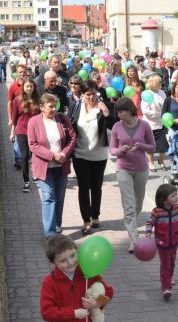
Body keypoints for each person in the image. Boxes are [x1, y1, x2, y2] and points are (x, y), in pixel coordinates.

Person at [109, 98, 156, 252]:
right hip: (123, 168)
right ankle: (133, 239)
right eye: (117, 112)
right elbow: (112, 149)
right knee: (129, 206)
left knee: (138, 204)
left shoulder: (144, 125)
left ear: (129, 111)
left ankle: (133, 229)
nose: (119, 115)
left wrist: (140, 146)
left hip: (141, 169)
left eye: (121, 112)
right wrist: (120, 151)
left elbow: (152, 147)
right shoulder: (116, 127)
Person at [27, 93, 77, 238]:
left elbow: (72, 138)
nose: (54, 109)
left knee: (59, 197)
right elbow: (32, 145)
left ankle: (56, 224)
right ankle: (50, 233)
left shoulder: (62, 118)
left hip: (61, 166)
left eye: (55, 106)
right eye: (50, 106)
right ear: (42, 107)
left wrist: (64, 153)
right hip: (44, 167)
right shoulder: (34, 122)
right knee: (49, 196)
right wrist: (52, 155)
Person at [68, 79, 113, 236]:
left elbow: (113, 124)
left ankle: (95, 216)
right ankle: (86, 219)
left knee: (96, 187)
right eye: (88, 94)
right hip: (80, 154)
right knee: (83, 187)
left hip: (99, 154)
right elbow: (69, 127)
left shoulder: (103, 105)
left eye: (94, 94)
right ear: (82, 94)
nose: (92, 97)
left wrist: (106, 112)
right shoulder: (75, 106)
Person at [145, 184, 178, 299]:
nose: (176, 198)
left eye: (176, 195)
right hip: (162, 243)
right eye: (173, 196)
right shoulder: (157, 211)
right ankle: (165, 288)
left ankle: (169, 278)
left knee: (172, 263)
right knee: (165, 265)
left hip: (174, 241)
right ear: (164, 199)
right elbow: (150, 222)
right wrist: (148, 232)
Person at [11, 78, 41, 192]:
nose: (29, 88)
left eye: (31, 86)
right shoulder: (17, 100)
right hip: (21, 130)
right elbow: (14, 118)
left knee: (35, 154)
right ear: (23, 87)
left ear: (34, 88)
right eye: (27, 86)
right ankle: (26, 181)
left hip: (35, 131)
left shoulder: (38, 100)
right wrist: (12, 132)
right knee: (24, 156)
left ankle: (36, 174)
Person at [141, 75, 169, 171]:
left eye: (161, 82)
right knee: (150, 146)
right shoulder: (146, 94)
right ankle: (151, 163)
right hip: (151, 124)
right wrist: (160, 114)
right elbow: (145, 111)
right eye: (159, 82)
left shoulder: (162, 93)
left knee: (164, 144)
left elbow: (165, 105)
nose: (161, 83)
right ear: (153, 83)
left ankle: (161, 161)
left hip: (162, 123)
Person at [8, 64, 28, 169]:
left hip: (28, 117)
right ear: (17, 72)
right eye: (20, 72)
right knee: (16, 140)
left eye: (24, 71)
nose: (22, 74)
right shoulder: (13, 86)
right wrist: (10, 118)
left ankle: (23, 160)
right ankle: (19, 160)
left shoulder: (30, 85)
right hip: (18, 117)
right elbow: (10, 103)